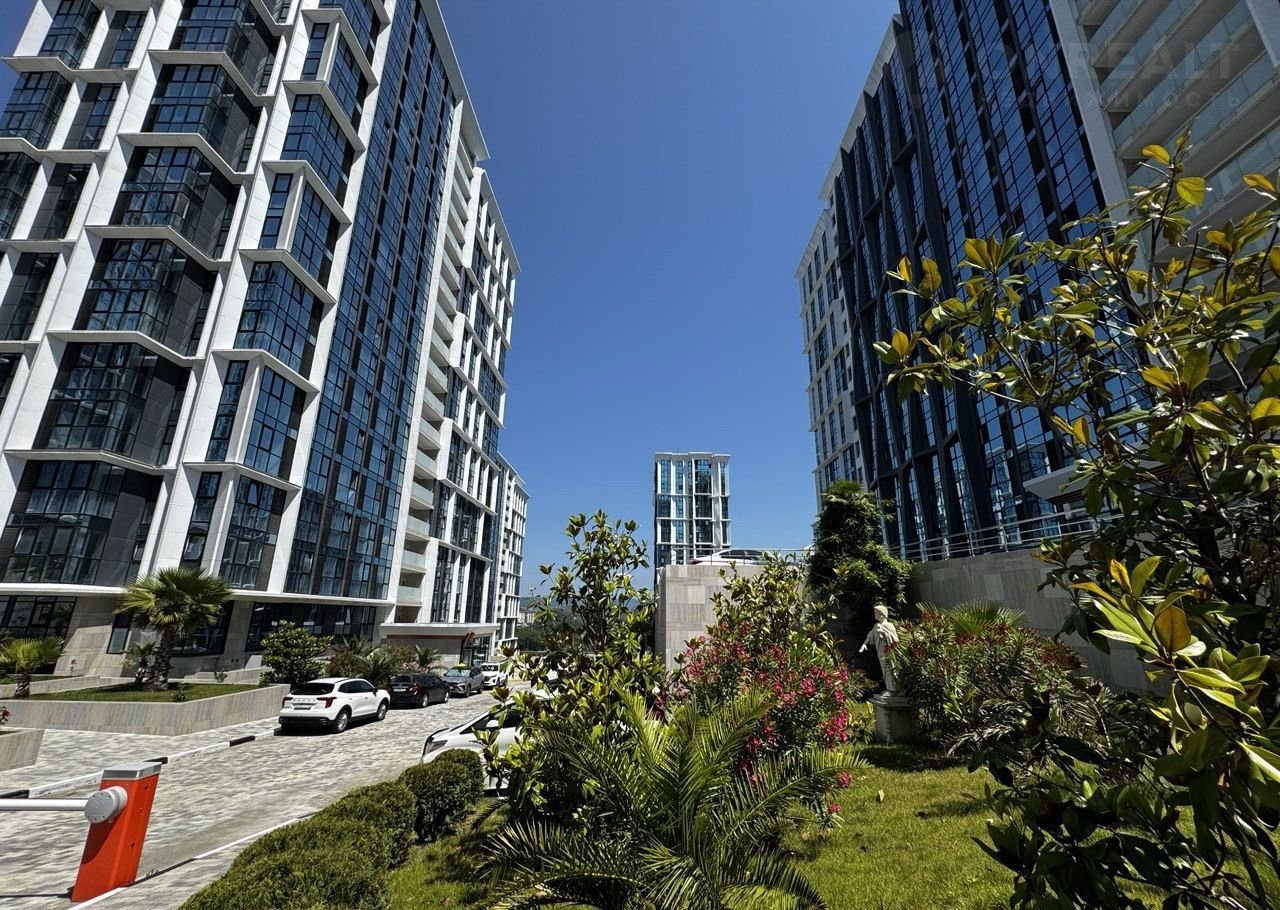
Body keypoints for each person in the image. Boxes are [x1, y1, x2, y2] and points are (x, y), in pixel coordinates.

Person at [859, 603, 900, 695]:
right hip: (880, 651)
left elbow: (895, 639)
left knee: (890, 669)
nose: (875, 615)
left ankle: (894, 690)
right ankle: (889, 688)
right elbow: (870, 635)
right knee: (884, 669)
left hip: (888, 651)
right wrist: (864, 644)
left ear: (882, 614)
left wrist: (884, 632)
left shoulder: (889, 625)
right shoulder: (876, 625)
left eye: (876, 613)